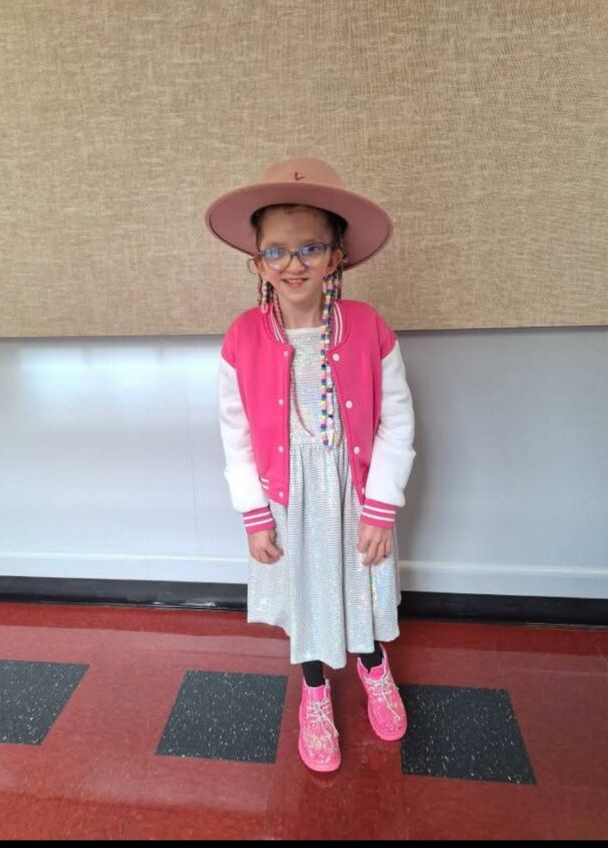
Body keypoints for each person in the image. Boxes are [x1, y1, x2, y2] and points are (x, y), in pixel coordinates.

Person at [205, 157, 416, 772]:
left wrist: (381, 507)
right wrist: (253, 513)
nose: (292, 264)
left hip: (355, 492)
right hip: (285, 496)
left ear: (336, 257)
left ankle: (374, 668)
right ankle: (316, 692)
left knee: (359, 584)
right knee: (304, 594)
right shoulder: (242, 336)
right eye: (276, 251)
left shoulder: (369, 326)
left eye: (310, 248)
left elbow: (397, 419)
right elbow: (235, 433)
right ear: (258, 264)